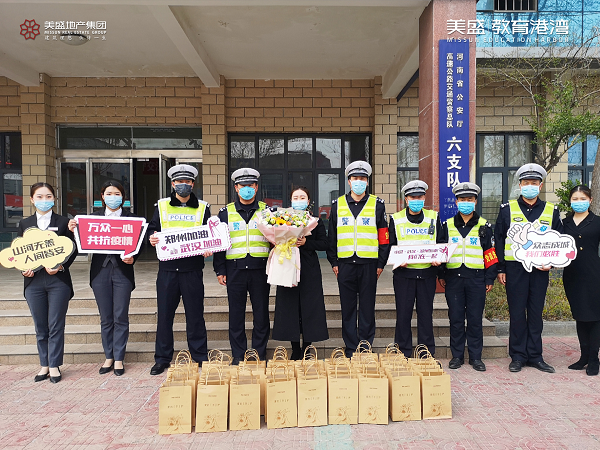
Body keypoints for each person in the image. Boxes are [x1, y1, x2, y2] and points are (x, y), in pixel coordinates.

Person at [494, 163, 563, 373]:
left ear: (540, 186)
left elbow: (559, 242)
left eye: (534, 183)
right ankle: (517, 356)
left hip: (540, 270)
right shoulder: (507, 210)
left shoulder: (551, 211)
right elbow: (499, 240)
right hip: (515, 270)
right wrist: (500, 269)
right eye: (526, 183)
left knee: (535, 313)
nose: (530, 186)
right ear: (520, 185)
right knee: (516, 313)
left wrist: (552, 262)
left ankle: (535, 355)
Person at [68, 180, 141, 376]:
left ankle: (119, 358)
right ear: (102, 196)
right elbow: (79, 242)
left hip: (122, 272)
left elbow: (139, 244)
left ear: (123, 197)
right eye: (109, 193)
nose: (113, 197)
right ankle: (109, 356)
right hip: (100, 272)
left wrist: (133, 257)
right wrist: (73, 229)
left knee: (120, 316)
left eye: (117, 194)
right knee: (106, 317)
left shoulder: (132, 219)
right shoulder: (91, 218)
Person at [148, 164, 211, 375]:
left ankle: (200, 356)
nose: (183, 185)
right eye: (179, 182)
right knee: (165, 316)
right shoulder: (162, 206)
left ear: (193, 184)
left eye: (187, 182)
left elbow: (210, 234)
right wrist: (152, 238)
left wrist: (209, 247)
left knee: (195, 316)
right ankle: (162, 358)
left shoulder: (203, 207)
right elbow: (152, 229)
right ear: (173, 184)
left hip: (192, 270)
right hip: (167, 270)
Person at [326, 161, 389, 358]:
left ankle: (366, 345)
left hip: (369, 264)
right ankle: (351, 347)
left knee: (367, 308)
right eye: (355, 178)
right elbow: (332, 237)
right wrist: (334, 262)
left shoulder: (377, 205)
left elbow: (384, 237)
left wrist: (381, 263)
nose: (359, 182)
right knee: (348, 308)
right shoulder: (337, 205)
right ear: (349, 181)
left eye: (362, 178)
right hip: (345, 264)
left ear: (367, 182)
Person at [19, 182, 77, 383]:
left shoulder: (64, 222)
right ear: (32, 200)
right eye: (40, 197)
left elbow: (73, 249)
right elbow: (19, 252)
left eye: (48, 196)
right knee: (40, 326)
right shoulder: (25, 224)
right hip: (33, 282)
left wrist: (60, 266)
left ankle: (54, 365)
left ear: (54, 199)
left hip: (58, 281)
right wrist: (23, 269)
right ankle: (44, 364)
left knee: (56, 325)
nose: (44, 200)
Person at [213, 168, 271, 364]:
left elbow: (276, 239)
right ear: (236, 188)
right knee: (236, 315)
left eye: (250, 185)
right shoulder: (225, 213)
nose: (247, 188)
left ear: (256, 187)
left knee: (261, 314)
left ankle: (258, 353)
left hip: (260, 269)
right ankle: (238, 354)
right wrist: (220, 270)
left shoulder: (267, 211)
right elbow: (219, 244)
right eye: (243, 185)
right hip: (234, 270)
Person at [438, 182, 497, 372]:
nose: (466, 202)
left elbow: (490, 253)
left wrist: (490, 278)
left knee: (475, 319)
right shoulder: (447, 225)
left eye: (469, 199)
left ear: (475, 201)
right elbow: (441, 252)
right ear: (456, 202)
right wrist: (441, 274)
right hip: (454, 279)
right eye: (462, 200)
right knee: (455, 319)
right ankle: (457, 356)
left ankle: (475, 357)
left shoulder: (484, 226)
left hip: (476, 279)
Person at [272, 186, 329, 360]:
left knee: (310, 307)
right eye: (295, 198)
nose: (299, 200)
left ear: (308, 201)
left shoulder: (315, 221)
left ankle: (307, 348)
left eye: (302, 197)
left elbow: (324, 243)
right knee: (290, 307)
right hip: (288, 265)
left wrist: (306, 243)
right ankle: (295, 349)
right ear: (290, 201)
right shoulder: (282, 220)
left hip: (309, 268)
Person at [389, 180, 443, 357]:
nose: (416, 200)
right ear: (406, 199)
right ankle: (402, 351)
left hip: (427, 274)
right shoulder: (396, 219)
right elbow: (390, 246)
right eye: (413, 197)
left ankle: (425, 352)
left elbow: (441, 242)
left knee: (426, 315)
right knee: (403, 316)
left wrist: (439, 259)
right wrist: (398, 260)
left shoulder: (433, 217)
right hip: (404, 275)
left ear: (424, 198)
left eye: (419, 197)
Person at [562, 185, 600, 376]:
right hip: (572, 275)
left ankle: (593, 358)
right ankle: (583, 356)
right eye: (575, 199)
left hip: (594, 274)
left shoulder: (597, 222)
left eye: (582, 199)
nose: (579, 202)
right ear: (570, 201)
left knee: (594, 316)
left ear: (590, 200)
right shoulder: (564, 223)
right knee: (580, 315)